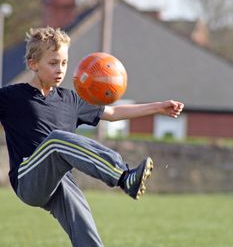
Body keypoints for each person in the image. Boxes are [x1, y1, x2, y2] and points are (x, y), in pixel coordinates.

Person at [0, 26, 184, 247]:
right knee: (57, 141)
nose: (60, 69)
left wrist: (158, 107)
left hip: (61, 182)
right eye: (53, 63)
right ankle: (124, 177)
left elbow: (114, 112)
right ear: (33, 64)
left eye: (64, 63)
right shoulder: (11, 97)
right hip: (28, 179)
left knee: (86, 234)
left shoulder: (71, 100)